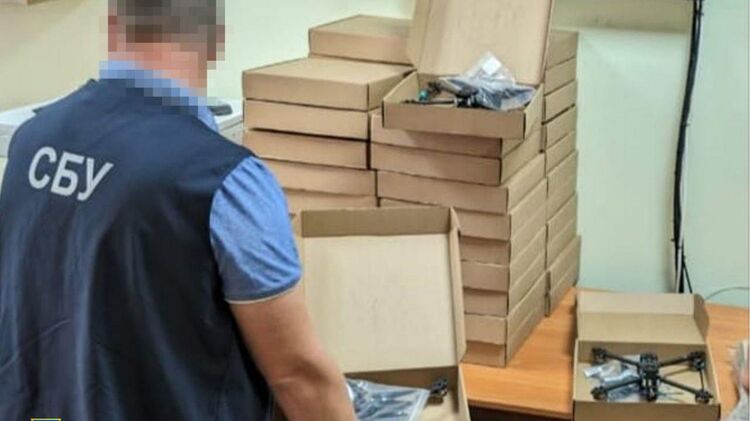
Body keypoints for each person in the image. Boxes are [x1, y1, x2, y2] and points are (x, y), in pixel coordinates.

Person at [0, 1, 355, 420]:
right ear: (215, 41)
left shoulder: (31, 141)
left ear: (112, 28)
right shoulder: (225, 181)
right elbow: (298, 376)